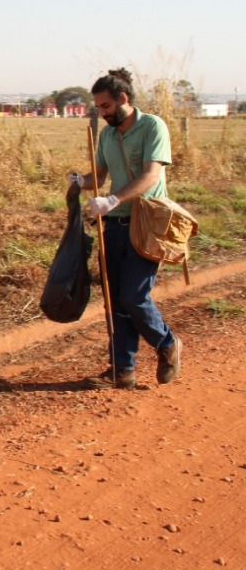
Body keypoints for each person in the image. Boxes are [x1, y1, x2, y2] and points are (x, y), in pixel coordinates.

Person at [66, 67, 182, 389]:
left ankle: (167, 343)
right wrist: (81, 181)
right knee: (116, 300)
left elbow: (150, 177)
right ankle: (123, 370)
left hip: (146, 224)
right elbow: (98, 178)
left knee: (134, 296)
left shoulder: (152, 127)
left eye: (105, 107)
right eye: (98, 108)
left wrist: (113, 200)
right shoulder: (106, 135)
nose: (101, 113)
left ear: (123, 99)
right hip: (114, 226)